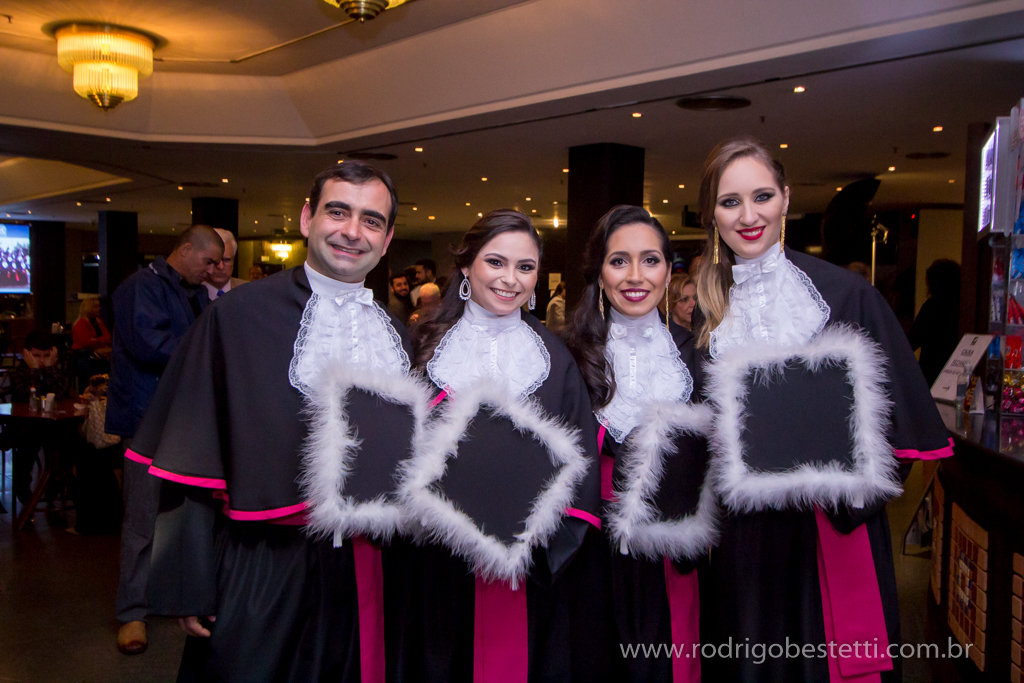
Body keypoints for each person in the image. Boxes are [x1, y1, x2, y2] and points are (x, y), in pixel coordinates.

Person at [131, 161, 414, 682]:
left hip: (368, 565)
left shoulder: (399, 336)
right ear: (307, 218)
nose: (353, 231)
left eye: (372, 221)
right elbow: (189, 458)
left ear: (388, 236)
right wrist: (187, 580)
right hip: (262, 560)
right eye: (338, 211)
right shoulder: (234, 318)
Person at [692, 137, 952, 681]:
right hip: (747, 544)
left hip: (831, 529)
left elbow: (901, 428)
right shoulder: (708, 315)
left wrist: (843, 495)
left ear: (786, 199)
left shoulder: (847, 296)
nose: (748, 215)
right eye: (729, 201)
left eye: (761, 196)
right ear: (711, 213)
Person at [399, 210, 604, 681]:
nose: (511, 280)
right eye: (496, 262)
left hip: (528, 570)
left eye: (525, 267)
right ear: (466, 266)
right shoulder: (422, 346)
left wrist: (536, 544)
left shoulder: (555, 358)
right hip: (438, 563)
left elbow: (581, 463)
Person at [563, 206, 710, 683]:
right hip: (587, 555)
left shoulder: (701, 356)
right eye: (619, 261)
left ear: (669, 271)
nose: (635, 276)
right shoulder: (566, 356)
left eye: (650, 260)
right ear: (599, 273)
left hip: (673, 556)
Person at [107, 224, 223, 656]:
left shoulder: (187, 293)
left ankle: (177, 600)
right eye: (208, 262)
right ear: (186, 249)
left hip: (181, 421)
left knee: (184, 520)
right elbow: (150, 346)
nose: (212, 271)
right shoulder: (140, 287)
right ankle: (131, 612)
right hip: (145, 421)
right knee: (141, 519)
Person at [9, 330, 68, 509]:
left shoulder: (54, 371)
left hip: (52, 424)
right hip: (25, 425)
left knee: (67, 439)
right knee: (28, 442)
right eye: (36, 356)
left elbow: (60, 394)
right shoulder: (20, 372)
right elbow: (25, 394)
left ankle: (57, 480)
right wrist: (33, 370)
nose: (41, 361)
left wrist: (50, 369)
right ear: (27, 354)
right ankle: (23, 487)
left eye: (45, 356)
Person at [909, 259, 961, 387]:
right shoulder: (965, 308)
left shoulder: (931, 307)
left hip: (931, 374)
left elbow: (912, 340)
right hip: (957, 374)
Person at [71, 298, 112, 391]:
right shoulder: (81, 323)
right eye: (96, 306)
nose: (99, 309)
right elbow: (86, 343)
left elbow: (108, 337)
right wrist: (100, 341)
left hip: (99, 356)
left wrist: (96, 340)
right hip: (86, 357)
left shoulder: (98, 321)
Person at [203, 228, 246, 300]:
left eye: (226, 260)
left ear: (233, 261)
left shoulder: (248, 290)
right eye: (215, 261)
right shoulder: (190, 295)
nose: (220, 267)